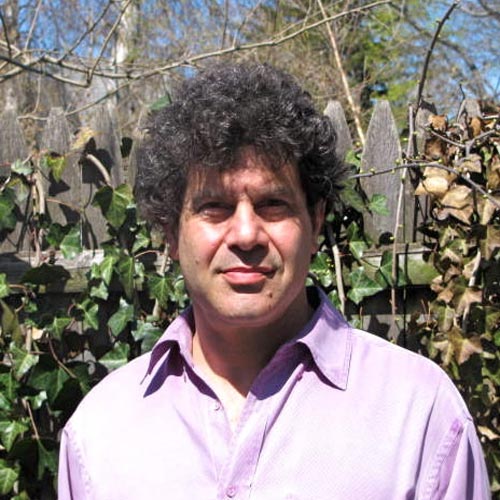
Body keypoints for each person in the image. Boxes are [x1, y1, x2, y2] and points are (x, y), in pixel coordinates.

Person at [58, 63, 490, 499]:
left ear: (315, 222)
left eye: (273, 204)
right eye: (214, 207)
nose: (246, 234)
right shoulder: (98, 434)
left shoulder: (421, 415)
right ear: (171, 232)